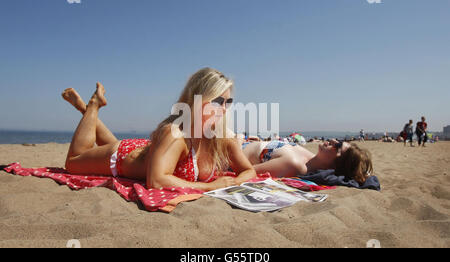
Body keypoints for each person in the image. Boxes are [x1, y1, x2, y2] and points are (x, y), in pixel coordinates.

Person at [62, 68, 256, 191]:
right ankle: (93, 106)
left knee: (104, 145)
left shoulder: (222, 140)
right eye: (217, 101)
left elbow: (249, 171)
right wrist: (210, 186)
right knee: (73, 162)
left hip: (151, 152)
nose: (223, 109)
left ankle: (87, 113)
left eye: (227, 103)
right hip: (120, 157)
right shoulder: (175, 135)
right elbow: (156, 181)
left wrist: (236, 182)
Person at [239, 139, 373, 185]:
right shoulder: (310, 156)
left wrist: (237, 142)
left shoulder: (294, 165)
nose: (333, 141)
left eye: (338, 147)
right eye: (339, 140)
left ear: (337, 164)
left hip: (230, 152)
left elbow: (247, 171)